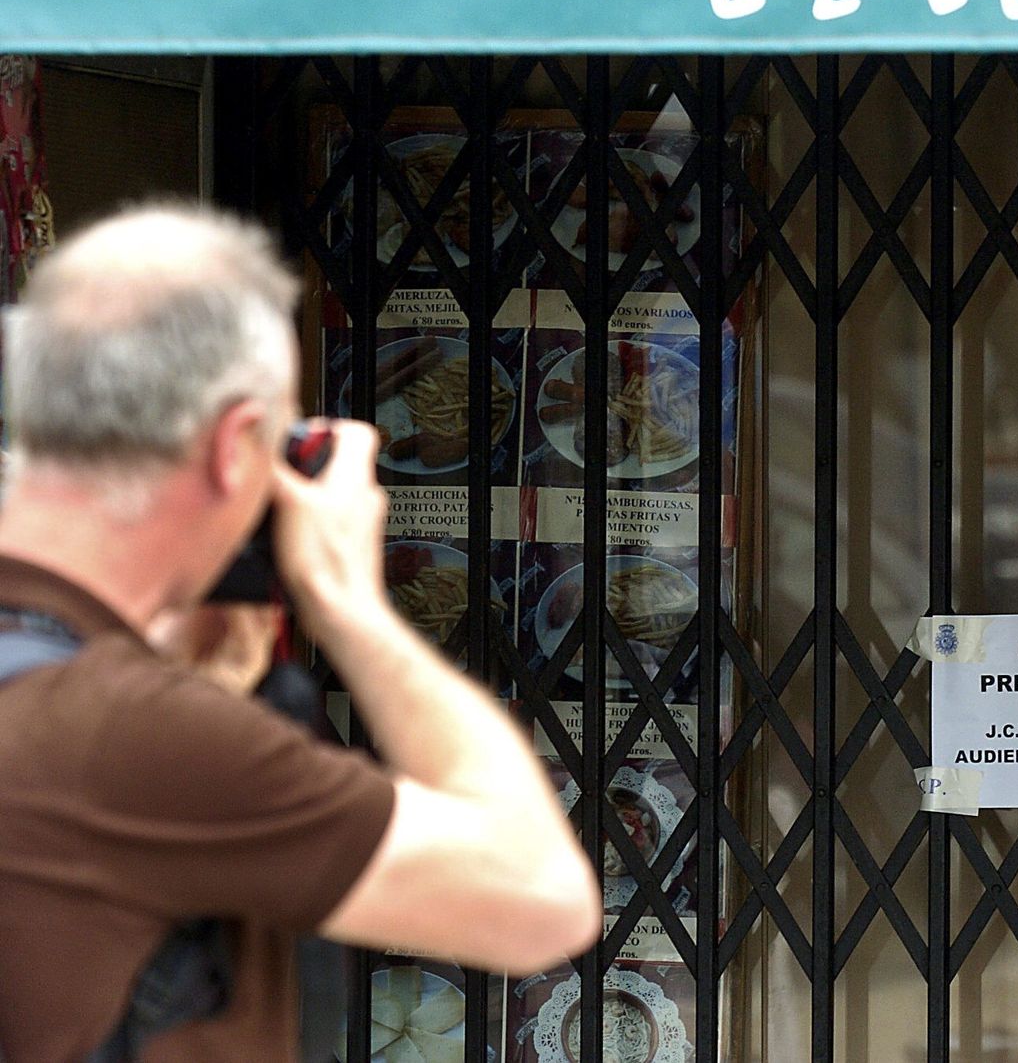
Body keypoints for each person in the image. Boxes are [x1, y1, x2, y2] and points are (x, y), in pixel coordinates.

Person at [0, 204, 601, 1062]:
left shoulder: (80, 703)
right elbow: (540, 897)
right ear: (233, 447)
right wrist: (346, 600)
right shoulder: (122, 732)